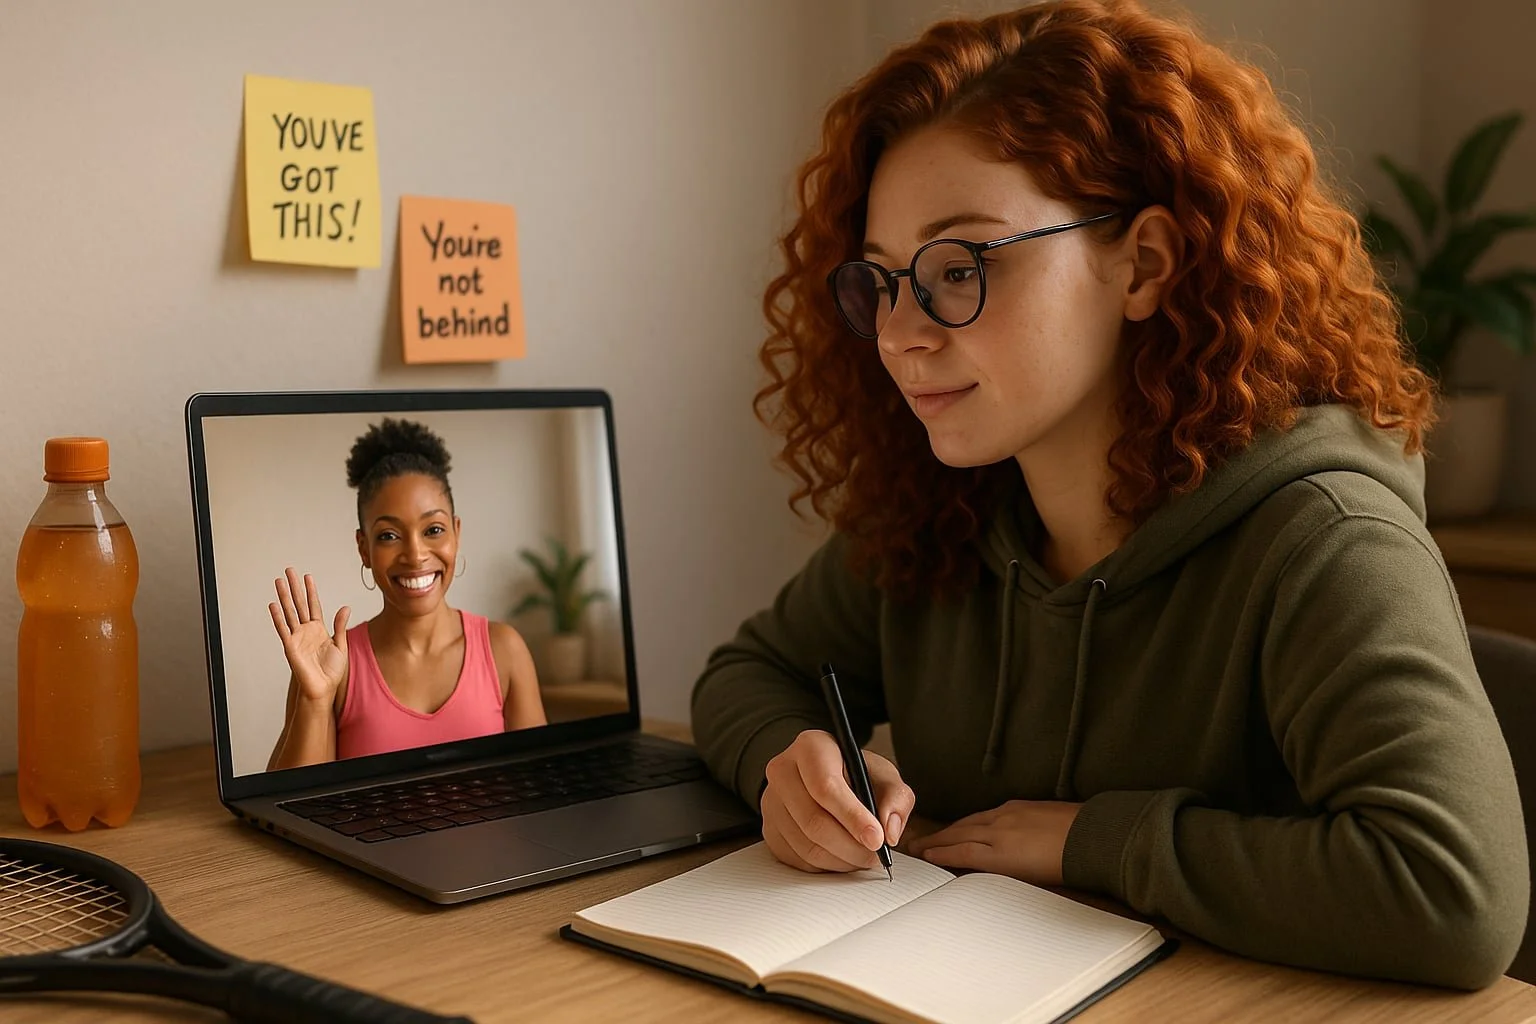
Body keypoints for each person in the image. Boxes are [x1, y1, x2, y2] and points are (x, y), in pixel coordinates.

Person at [690, 0, 1528, 991]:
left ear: (1144, 264)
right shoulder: (943, 510)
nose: (902, 333)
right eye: (882, 281)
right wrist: (791, 759)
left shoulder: (1324, 539)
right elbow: (748, 672)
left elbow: (1454, 897)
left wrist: (1096, 838)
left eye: (960, 267)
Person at [267, 418, 546, 770]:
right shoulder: (333, 664)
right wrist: (315, 700)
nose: (415, 555)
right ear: (363, 548)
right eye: (388, 535)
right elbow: (284, 810)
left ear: (456, 534)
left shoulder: (505, 651)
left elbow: (539, 791)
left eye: (433, 529)